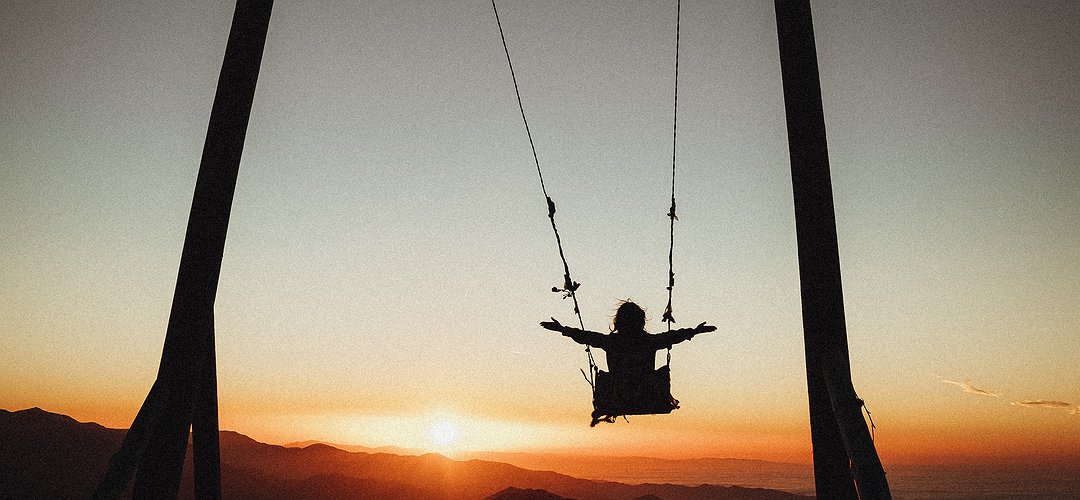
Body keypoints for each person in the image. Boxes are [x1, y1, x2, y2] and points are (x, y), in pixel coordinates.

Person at [541, 301, 715, 425]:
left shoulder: (611, 342)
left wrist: (562, 329)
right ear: (641, 322)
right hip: (647, 397)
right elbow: (674, 336)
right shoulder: (649, 342)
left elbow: (585, 336)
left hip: (618, 397)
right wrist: (695, 331)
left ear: (618, 322)